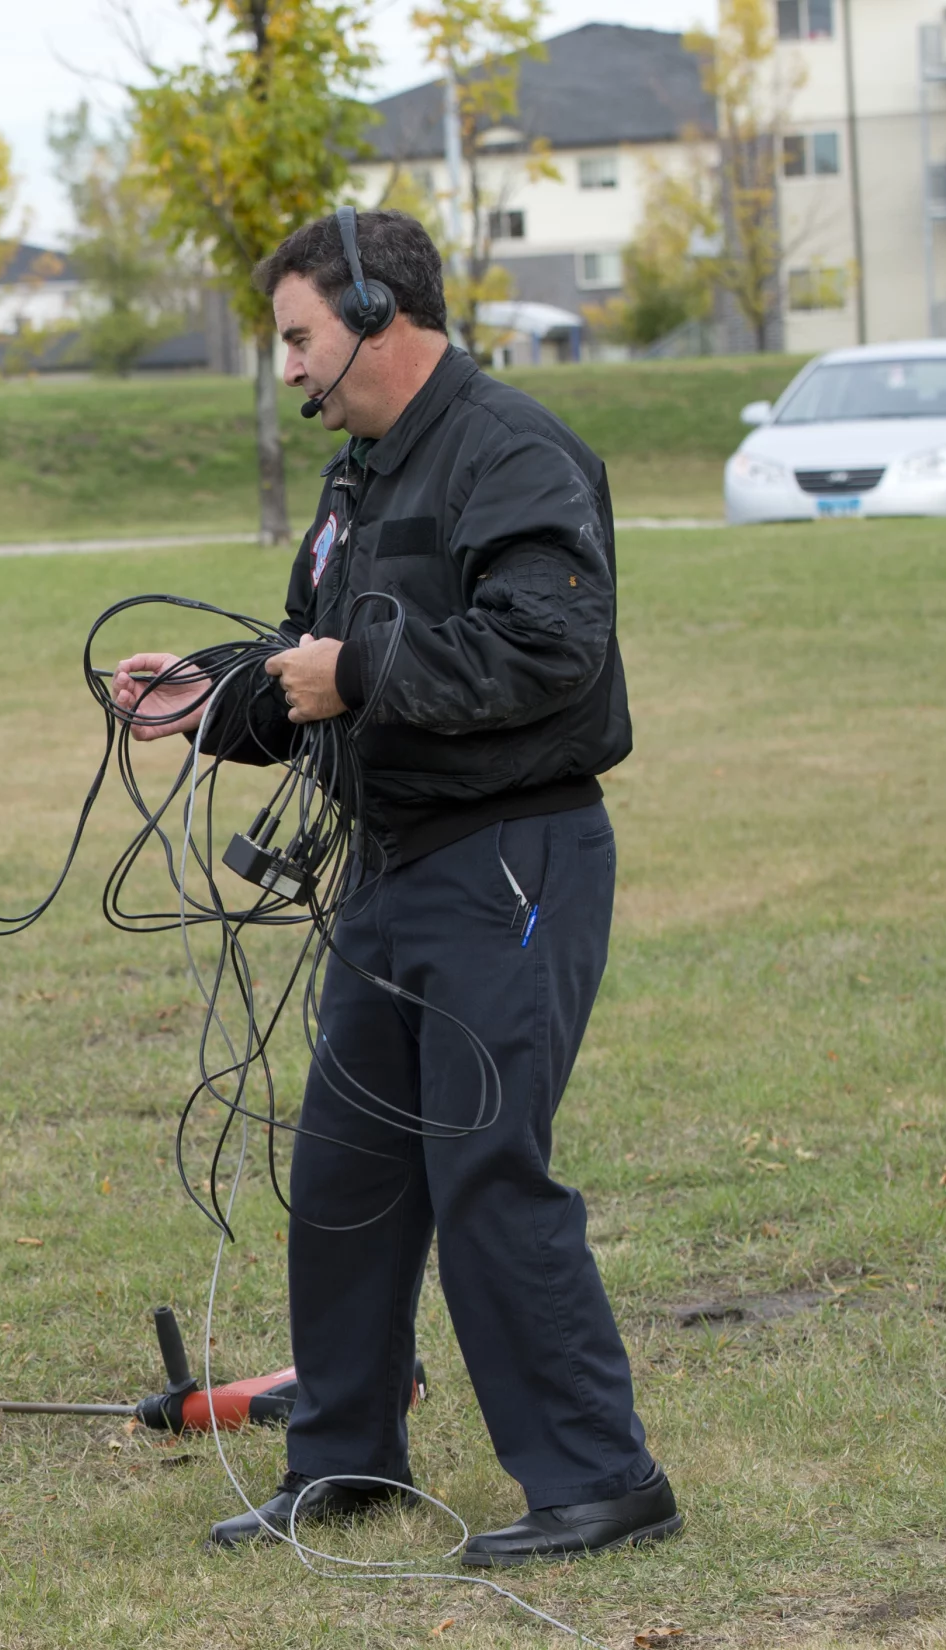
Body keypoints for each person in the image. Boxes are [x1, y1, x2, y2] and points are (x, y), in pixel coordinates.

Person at [112, 210, 678, 1567]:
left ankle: (604, 1481)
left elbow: (547, 651)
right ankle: (348, 1460)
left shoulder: (517, 452)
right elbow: (308, 672)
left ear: (379, 312)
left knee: (485, 1168)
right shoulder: (358, 478)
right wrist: (210, 700)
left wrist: (357, 671)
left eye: (302, 337)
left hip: (511, 861)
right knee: (350, 1174)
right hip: (388, 868)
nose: (292, 371)